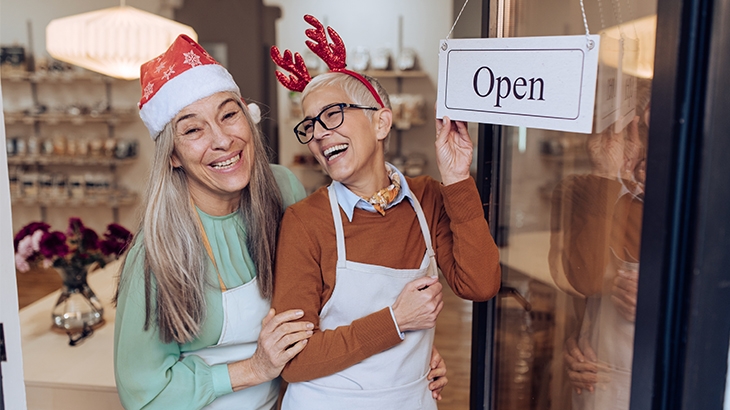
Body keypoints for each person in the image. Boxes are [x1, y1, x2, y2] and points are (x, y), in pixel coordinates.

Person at [114, 34, 447, 410]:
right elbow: (144, 393)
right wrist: (255, 368)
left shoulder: (284, 189)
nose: (222, 140)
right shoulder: (155, 254)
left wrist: (408, 350)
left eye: (228, 115)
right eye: (193, 130)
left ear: (248, 117)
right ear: (172, 156)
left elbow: (330, 299)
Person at [270, 15, 501, 409]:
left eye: (333, 115)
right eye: (309, 125)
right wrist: (394, 320)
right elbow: (294, 360)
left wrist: (458, 177)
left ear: (381, 122)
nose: (320, 134)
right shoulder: (307, 221)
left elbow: (479, 285)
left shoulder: (427, 199)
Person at [549, 78, 651, 410]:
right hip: (601, 374)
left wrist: (654, 305)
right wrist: (571, 343)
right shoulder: (583, 190)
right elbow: (580, 283)